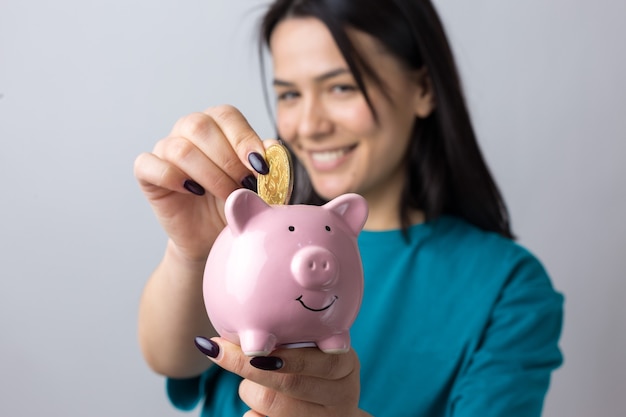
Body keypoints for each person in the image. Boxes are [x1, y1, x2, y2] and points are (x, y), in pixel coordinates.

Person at [134, 0, 564, 416]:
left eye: (341, 87)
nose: (308, 126)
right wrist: (194, 251)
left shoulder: (508, 287)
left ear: (423, 89)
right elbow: (172, 360)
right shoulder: (250, 235)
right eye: (289, 95)